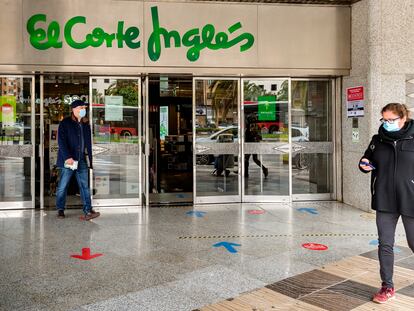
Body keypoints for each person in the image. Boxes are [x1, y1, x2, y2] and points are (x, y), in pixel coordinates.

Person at [359, 103, 414, 304]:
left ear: (403, 118)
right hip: (385, 199)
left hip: (411, 198)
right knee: (385, 244)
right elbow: (366, 159)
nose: (387, 124)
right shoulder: (378, 140)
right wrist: (364, 164)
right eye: (384, 120)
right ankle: (387, 286)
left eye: (391, 120)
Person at [55, 99, 100, 221]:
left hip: (81, 160)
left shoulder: (85, 125)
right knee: (63, 186)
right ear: (73, 109)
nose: (83, 110)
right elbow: (61, 142)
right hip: (68, 161)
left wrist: (91, 160)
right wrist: (67, 157)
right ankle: (60, 209)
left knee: (84, 186)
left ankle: (88, 210)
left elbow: (88, 144)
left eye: (84, 108)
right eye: (81, 108)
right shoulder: (65, 123)